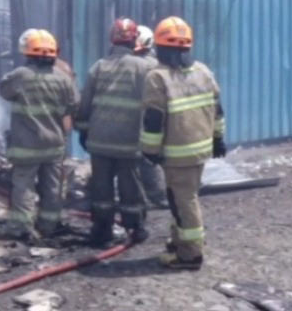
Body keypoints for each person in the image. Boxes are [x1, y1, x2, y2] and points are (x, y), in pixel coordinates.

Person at [140, 16, 226, 270]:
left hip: (177, 154)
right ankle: (180, 240)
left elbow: (153, 120)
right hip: (200, 149)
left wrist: (150, 150)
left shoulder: (157, 77)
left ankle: (190, 255)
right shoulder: (202, 70)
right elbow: (217, 110)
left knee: (184, 200)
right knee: (180, 197)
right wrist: (219, 139)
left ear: (160, 48)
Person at [76, 18, 153, 246]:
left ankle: (102, 231)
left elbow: (85, 105)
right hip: (129, 141)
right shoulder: (146, 67)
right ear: (134, 40)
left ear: (112, 39)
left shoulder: (99, 66)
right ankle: (135, 228)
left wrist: (83, 133)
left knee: (101, 187)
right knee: (131, 186)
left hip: (100, 140)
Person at [0, 29, 78, 240]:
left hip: (26, 144)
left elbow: (5, 91)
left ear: (28, 53)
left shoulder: (20, 75)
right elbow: (73, 105)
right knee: (51, 186)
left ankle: (21, 227)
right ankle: (49, 224)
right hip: (54, 143)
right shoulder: (63, 78)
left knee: (24, 184)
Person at [134, 25, 167, 208]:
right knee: (151, 156)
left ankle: (158, 196)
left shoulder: (136, 64)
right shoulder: (157, 64)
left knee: (147, 157)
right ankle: (158, 195)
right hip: (152, 116)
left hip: (145, 117)